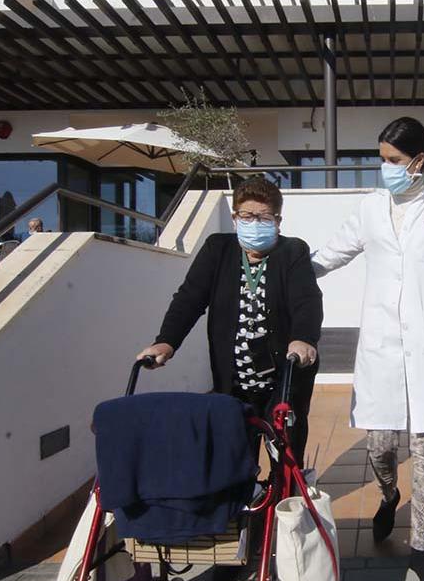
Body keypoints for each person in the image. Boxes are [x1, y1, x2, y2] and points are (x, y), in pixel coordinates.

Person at [311, 117, 424, 581]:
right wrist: (289, 272)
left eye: (392, 161)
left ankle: (421, 550)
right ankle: (389, 495)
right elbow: (332, 253)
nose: (383, 168)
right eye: (381, 158)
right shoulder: (370, 208)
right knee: (380, 444)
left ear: (418, 162)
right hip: (383, 347)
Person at [137, 177, 322, 469]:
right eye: (247, 216)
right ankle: (244, 511)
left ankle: (283, 508)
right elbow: (189, 298)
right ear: (235, 218)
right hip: (233, 381)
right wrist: (167, 340)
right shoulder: (217, 249)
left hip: (284, 380)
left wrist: (303, 337)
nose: (254, 222)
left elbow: (307, 299)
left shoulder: (292, 251)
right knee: (235, 460)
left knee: (285, 458)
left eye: (263, 217)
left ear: (278, 220)